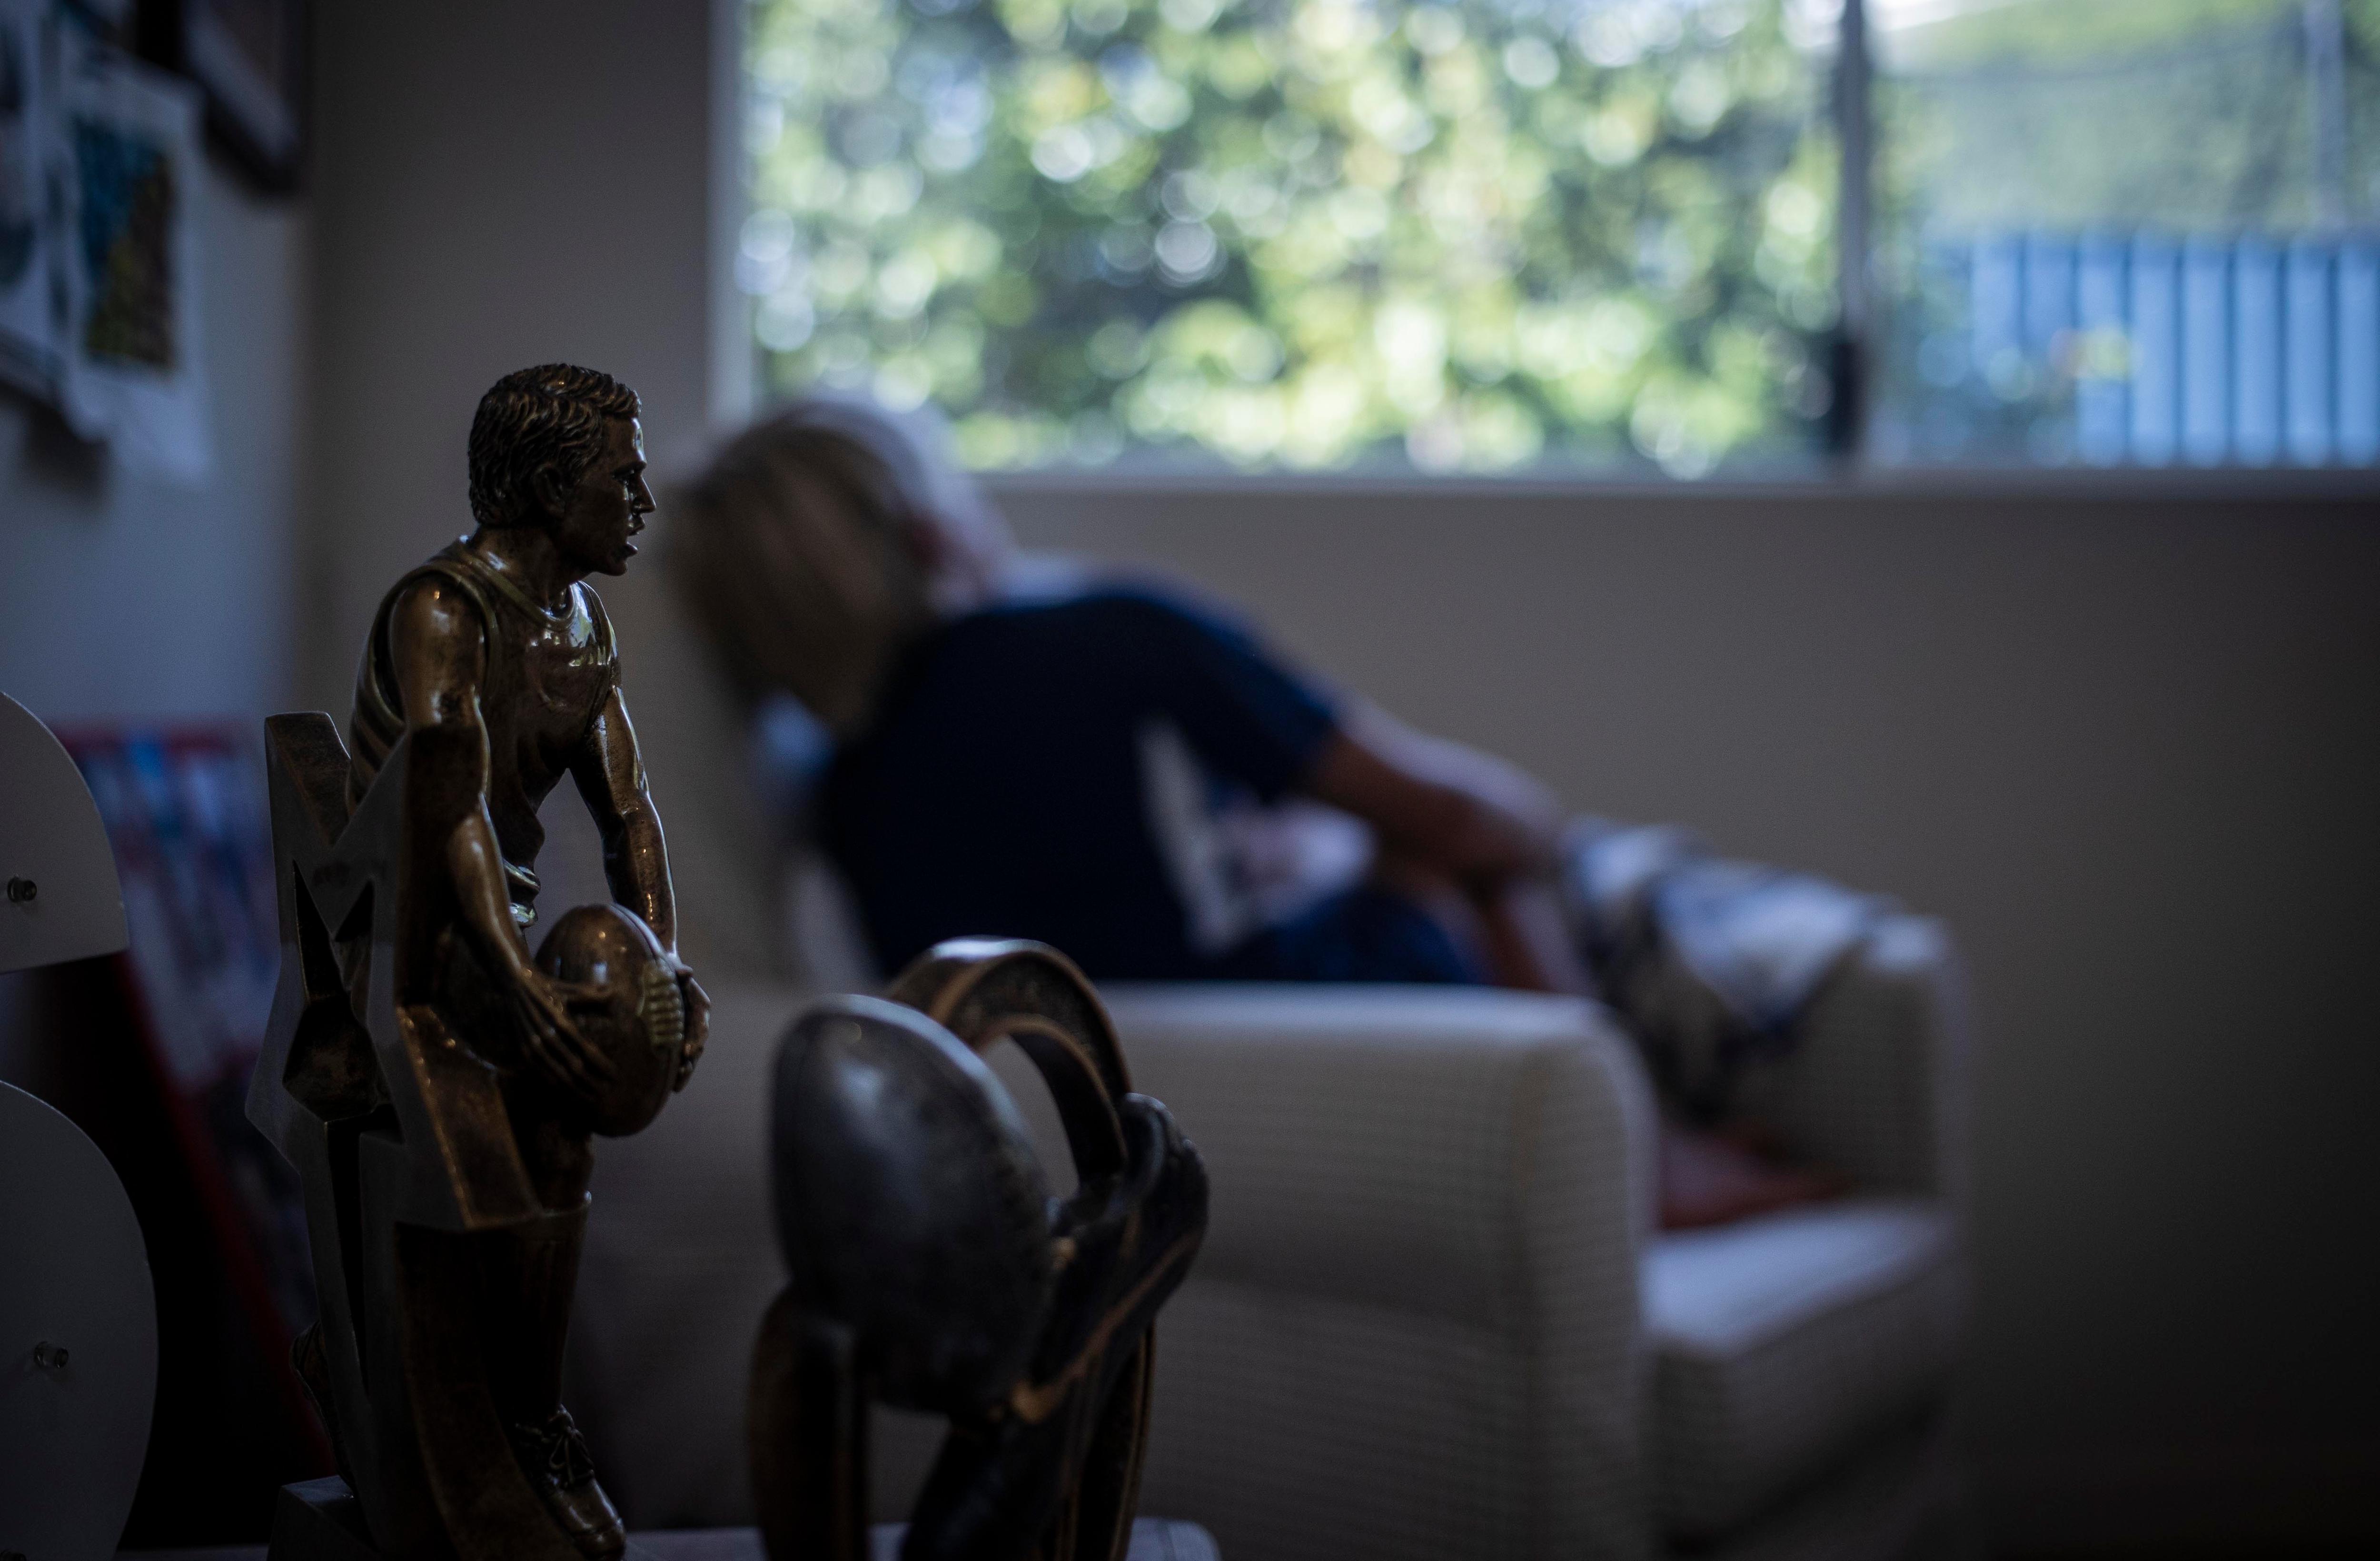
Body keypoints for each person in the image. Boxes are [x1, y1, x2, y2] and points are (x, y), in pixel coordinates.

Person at [672, 397, 1591, 999]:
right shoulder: (1115, 635)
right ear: (933, 536)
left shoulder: (841, 798)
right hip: (1310, 1024)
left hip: (1106, 1085)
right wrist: (1528, 832)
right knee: (1458, 854)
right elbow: (1471, 819)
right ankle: (1641, 1168)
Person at [338, 363, 710, 1557]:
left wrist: (665, 963)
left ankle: (529, 1418)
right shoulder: (443, 611)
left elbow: (629, 812)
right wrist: (513, 981)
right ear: (553, 487)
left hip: (492, 931)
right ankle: (478, 1413)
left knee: (567, 1113)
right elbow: (448, 807)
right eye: (622, 477)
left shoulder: (583, 622)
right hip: (400, 940)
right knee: (534, 1110)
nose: (642, 500)